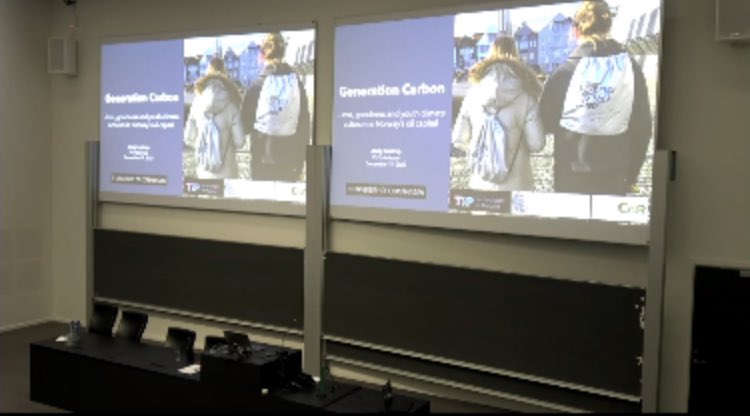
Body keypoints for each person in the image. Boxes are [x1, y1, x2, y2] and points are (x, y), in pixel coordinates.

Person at [539, 0, 652, 195]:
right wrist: (632, 175)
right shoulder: (630, 68)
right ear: (609, 26)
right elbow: (642, 128)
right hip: (614, 175)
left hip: (570, 176)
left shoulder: (564, 72)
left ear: (576, 30)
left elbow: (546, 122)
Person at [452, 35, 546, 191]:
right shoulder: (527, 94)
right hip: (517, 185)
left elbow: (458, 139)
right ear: (515, 54)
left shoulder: (473, 93)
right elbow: (536, 144)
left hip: (481, 182)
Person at [241, 32, 310, 182]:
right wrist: (301, 161)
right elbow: (304, 124)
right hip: (290, 157)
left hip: (262, 157)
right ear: (283, 52)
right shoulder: (296, 83)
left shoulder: (257, 85)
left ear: (262, 55)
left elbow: (245, 124)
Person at [184, 58, 245, 179]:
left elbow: (188, 138)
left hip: (204, 171)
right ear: (225, 73)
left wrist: (205, 145)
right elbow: (240, 142)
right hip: (228, 171)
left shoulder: (197, 103)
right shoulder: (232, 104)